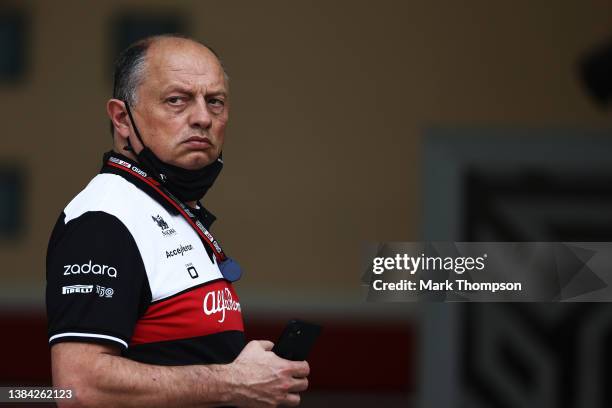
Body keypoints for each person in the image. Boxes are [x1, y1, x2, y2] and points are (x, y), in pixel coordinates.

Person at [46, 34, 309, 407]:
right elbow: (78, 388)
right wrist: (233, 381)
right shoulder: (103, 220)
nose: (203, 118)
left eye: (214, 101)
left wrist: (249, 379)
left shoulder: (169, 208)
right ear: (122, 118)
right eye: (177, 100)